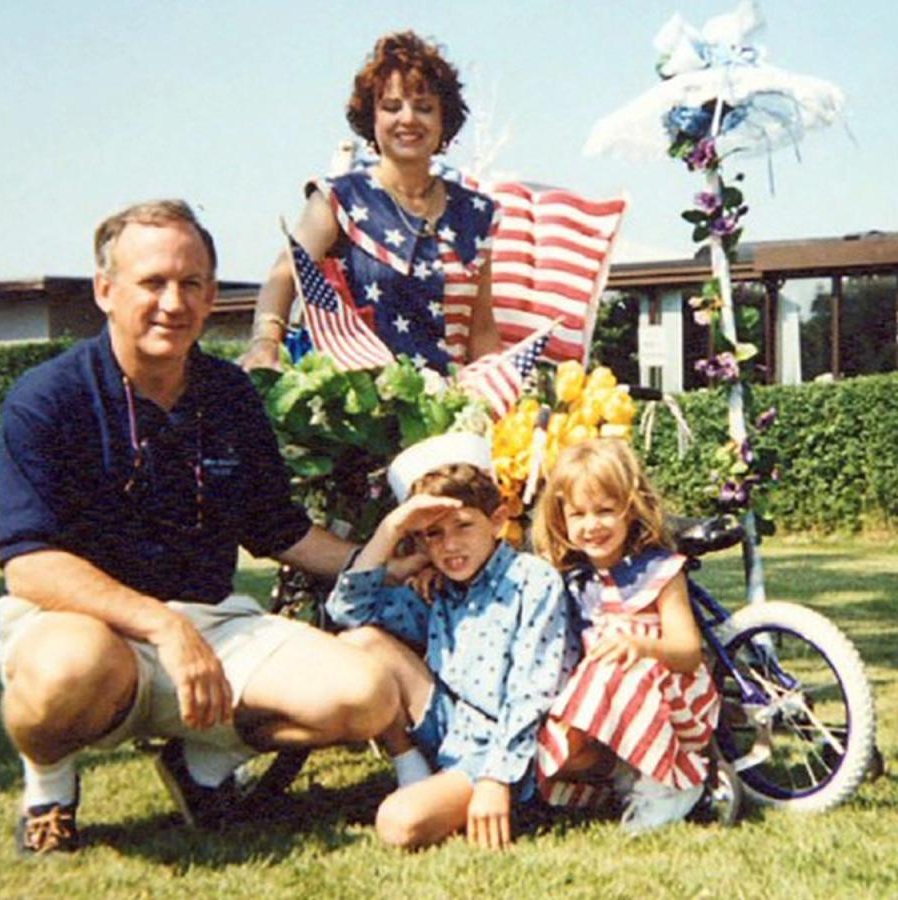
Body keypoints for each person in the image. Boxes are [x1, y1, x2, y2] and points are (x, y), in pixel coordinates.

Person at [0, 199, 406, 856]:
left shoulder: (230, 395)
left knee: (366, 696)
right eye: (151, 282)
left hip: (213, 625)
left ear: (213, 294)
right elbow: (30, 563)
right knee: (66, 669)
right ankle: (49, 789)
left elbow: (279, 530)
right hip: (90, 630)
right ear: (106, 290)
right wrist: (162, 625)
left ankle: (202, 765)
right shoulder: (49, 397)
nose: (172, 302)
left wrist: (380, 559)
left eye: (191, 283)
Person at [325, 432, 580, 850]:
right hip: (449, 728)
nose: (450, 545)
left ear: (498, 521)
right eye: (433, 534)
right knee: (362, 642)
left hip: (504, 749)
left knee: (397, 824)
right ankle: (413, 768)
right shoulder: (438, 588)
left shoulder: (531, 581)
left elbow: (531, 693)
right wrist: (392, 530)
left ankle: (481, 795)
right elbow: (348, 611)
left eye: (464, 526)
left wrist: (495, 781)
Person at [240, 30, 503, 375]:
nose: (408, 119)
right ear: (372, 118)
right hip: (359, 410)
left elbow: (481, 330)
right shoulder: (338, 199)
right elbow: (284, 274)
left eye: (424, 108)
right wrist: (265, 342)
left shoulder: (475, 215)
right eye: (391, 107)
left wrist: (501, 388)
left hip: (448, 410)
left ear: (444, 120)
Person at [531, 439, 721, 834]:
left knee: (614, 666)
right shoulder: (576, 582)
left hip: (672, 693)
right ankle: (629, 772)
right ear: (560, 518)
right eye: (578, 514)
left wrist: (641, 645)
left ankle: (671, 782)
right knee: (559, 747)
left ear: (630, 509)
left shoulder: (661, 571)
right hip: (609, 698)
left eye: (605, 510)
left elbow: (688, 653)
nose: (592, 525)